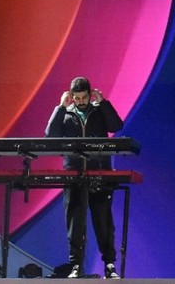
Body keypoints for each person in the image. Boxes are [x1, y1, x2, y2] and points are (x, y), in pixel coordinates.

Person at [45, 77, 124, 279]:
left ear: (90, 95)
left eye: (84, 97)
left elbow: (116, 126)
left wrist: (103, 103)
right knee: (75, 224)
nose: (81, 102)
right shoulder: (66, 113)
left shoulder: (99, 111)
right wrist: (60, 107)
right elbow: (50, 135)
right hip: (74, 177)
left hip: (99, 175)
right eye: (77, 98)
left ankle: (109, 265)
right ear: (71, 96)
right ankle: (76, 266)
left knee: (103, 222)